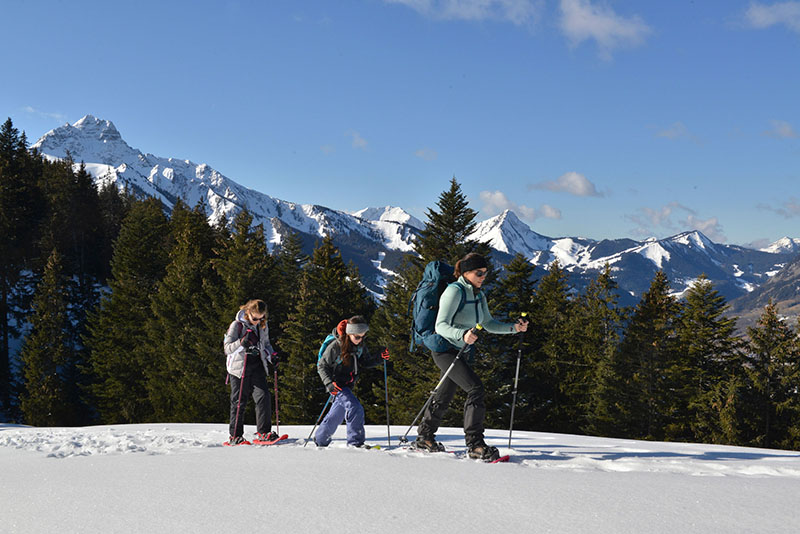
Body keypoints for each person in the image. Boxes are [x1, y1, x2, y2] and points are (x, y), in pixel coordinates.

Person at [415, 252, 528, 461]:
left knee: (445, 393)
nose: (483, 276)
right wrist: (462, 334)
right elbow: (441, 325)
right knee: (475, 388)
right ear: (466, 272)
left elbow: (489, 323)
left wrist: (514, 328)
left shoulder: (478, 295)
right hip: (444, 349)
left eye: (485, 272)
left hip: (460, 349)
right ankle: (475, 444)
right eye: (479, 272)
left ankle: (425, 436)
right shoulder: (454, 291)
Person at [315, 316, 390, 447]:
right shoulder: (335, 346)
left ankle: (321, 439)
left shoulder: (360, 346)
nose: (360, 340)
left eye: (363, 336)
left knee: (337, 414)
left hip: (348, 385)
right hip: (336, 384)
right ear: (349, 334)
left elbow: (364, 362)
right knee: (354, 407)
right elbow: (322, 366)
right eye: (357, 337)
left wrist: (380, 358)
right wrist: (329, 383)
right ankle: (356, 443)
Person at [223, 299, 279, 445]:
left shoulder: (262, 325)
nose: (257, 321)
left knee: (263, 397)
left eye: (261, 318)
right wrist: (242, 343)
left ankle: (264, 432)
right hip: (239, 368)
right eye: (255, 318)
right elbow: (227, 348)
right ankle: (235, 436)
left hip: (257, 365)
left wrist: (272, 356)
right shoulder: (237, 325)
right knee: (239, 402)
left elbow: (266, 344)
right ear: (248, 313)